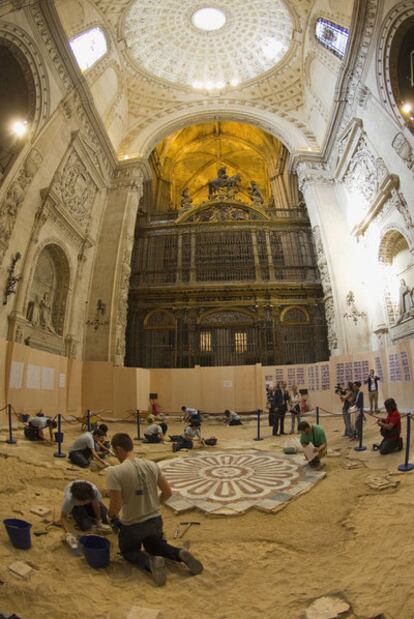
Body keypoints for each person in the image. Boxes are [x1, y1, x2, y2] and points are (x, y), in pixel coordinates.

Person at [107, 433, 203, 586]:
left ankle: (149, 561)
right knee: (155, 545)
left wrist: (111, 517)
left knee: (128, 551)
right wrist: (154, 504)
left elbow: (116, 506)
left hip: (133, 525)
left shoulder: (115, 472)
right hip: (155, 521)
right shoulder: (151, 465)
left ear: (118, 449)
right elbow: (168, 492)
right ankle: (179, 553)